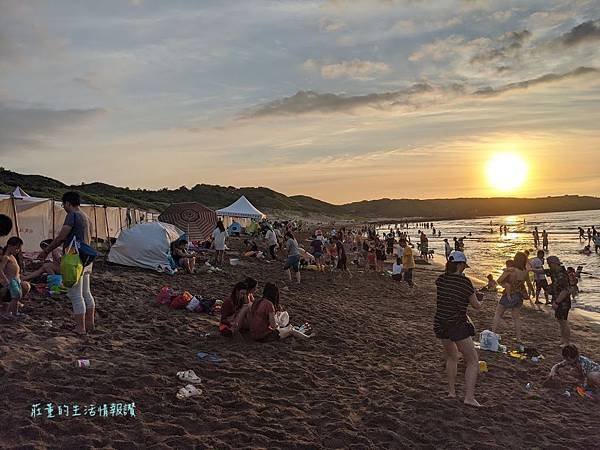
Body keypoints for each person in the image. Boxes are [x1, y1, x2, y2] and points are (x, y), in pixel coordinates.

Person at [40, 192, 94, 335]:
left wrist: (47, 250)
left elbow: (61, 237)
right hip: (86, 257)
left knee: (75, 295)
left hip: (74, 259)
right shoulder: (86, 217)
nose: (63, 207)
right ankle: (89, 324)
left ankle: (80, 328)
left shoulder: (72, 215)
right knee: (86, 293)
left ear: (68, 203)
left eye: (63, 204)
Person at [434, 250, 483, 407]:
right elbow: (476, 306)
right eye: (464, 267)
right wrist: (480, 298)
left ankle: (452, 392)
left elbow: (451, 297)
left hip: (440, 323)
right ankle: (469, 397)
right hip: (456, 324)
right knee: (473, 360)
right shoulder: (465, 283)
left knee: (452, 356)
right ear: (461, 265)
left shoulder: (441, 280)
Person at [491, 252, 530, 344]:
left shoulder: (511, 270)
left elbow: (499, 280)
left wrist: (506, 285)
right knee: (516, 317)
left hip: (509, 294)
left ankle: (493, 333)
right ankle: (519, 338)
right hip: (519, 295)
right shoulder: (525, 271)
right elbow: (527, 282)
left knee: (498, 314)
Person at [1, 237, 31, 319]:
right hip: (11, 280)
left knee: (17, 296)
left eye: (19, 249)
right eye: (16, 248)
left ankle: (15, 313)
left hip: (16, 280)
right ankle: (9, 313)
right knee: (15, 296)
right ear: (9, 246)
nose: (17, 251)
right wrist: (5, 279)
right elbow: (1, 269)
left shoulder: (12, 257)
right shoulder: (6, 257)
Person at [547, 255, 571, 346]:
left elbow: (565, 290)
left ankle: (567, 342)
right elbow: (543, 271)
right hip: (558, 300)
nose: (549, 266)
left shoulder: (562, 275)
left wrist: (557, 302)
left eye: (549, 264)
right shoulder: (555, 272)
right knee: (560, 321)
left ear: (554, 264)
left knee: (564, 322)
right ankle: (563, 340)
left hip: (563, 302)